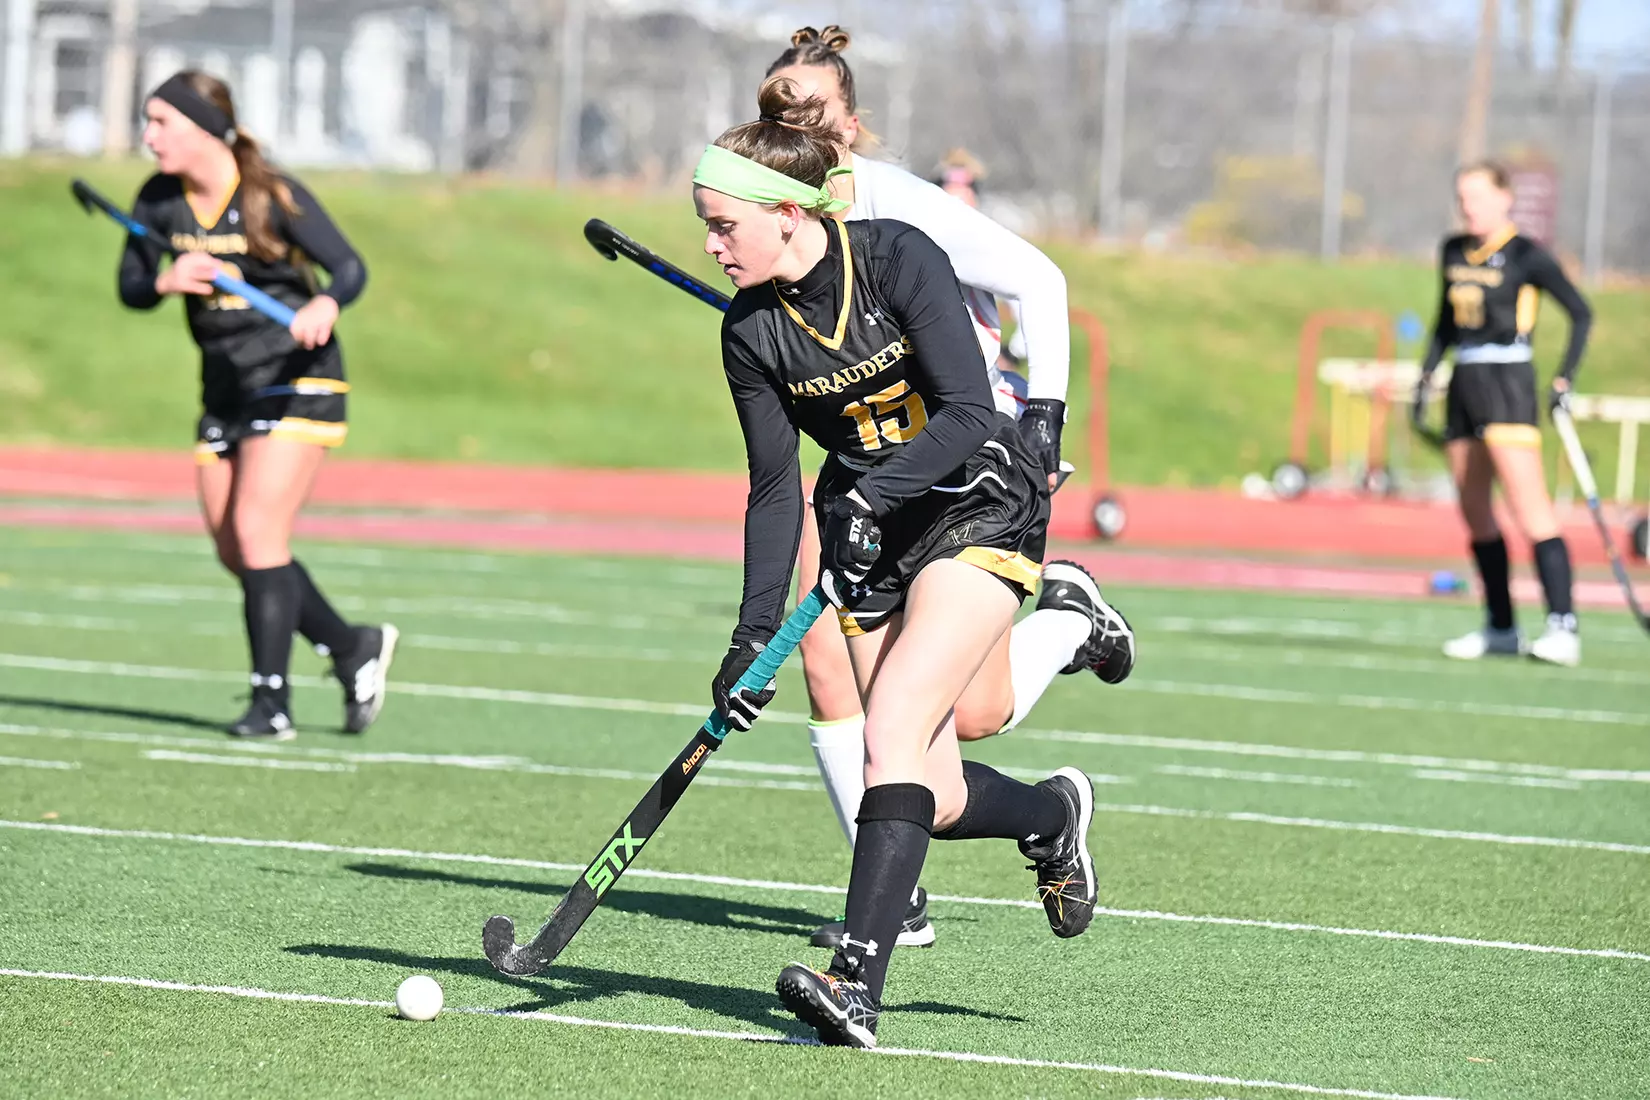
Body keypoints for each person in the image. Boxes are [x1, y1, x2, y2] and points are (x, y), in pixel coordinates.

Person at [696, 78, 1101, 1049]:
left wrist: (872, 496)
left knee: (891, 728)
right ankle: (1050, 815)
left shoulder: (897, 257)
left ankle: (856, 985)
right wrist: (751, 639)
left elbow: (968, 411)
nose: (711, 246)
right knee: (937, 781)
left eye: (723, 225)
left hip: (978, 493)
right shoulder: (749, 330)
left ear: (788, 213)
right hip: (872, 526)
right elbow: (774, 491)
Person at [763, 25, 1133, 951]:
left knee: (962, 713)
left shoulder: (896, 203)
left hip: (966, 461)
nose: (797, 123)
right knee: (881, 689)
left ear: (851, 121)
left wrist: (1043, 419)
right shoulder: (772, 218)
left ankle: (1069, 625)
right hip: (866, 464)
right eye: (779, 110)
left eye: (813, 109)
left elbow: (1039, 282)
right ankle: (903, 887)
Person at [116, 71, 396, 738]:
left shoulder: (270, 193)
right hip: (225, 387)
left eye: (162, 122)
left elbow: (349, 267)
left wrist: (325, 303)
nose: (149, 136)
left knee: (258, 531)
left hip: (296, 375)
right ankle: (350, 645)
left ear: (205, 129)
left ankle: (271, 703)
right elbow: (131, 286)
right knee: (234, 548)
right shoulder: (158, 200)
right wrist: (166, 281)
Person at [1412, 162, 1593, 667]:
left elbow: (1581, 312)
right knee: (1474, 509)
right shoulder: (1453, 250)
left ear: (1504, 198)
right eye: (1462, 197)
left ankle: (1563, 625)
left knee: (1529, 507)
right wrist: (1426, 374)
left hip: (1508, 381)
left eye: (1477, 197)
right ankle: (1500, 626)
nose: (1467, 207)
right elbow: (1445, 320)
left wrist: (1564, 378)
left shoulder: (1526, 255)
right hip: (1464, 381)